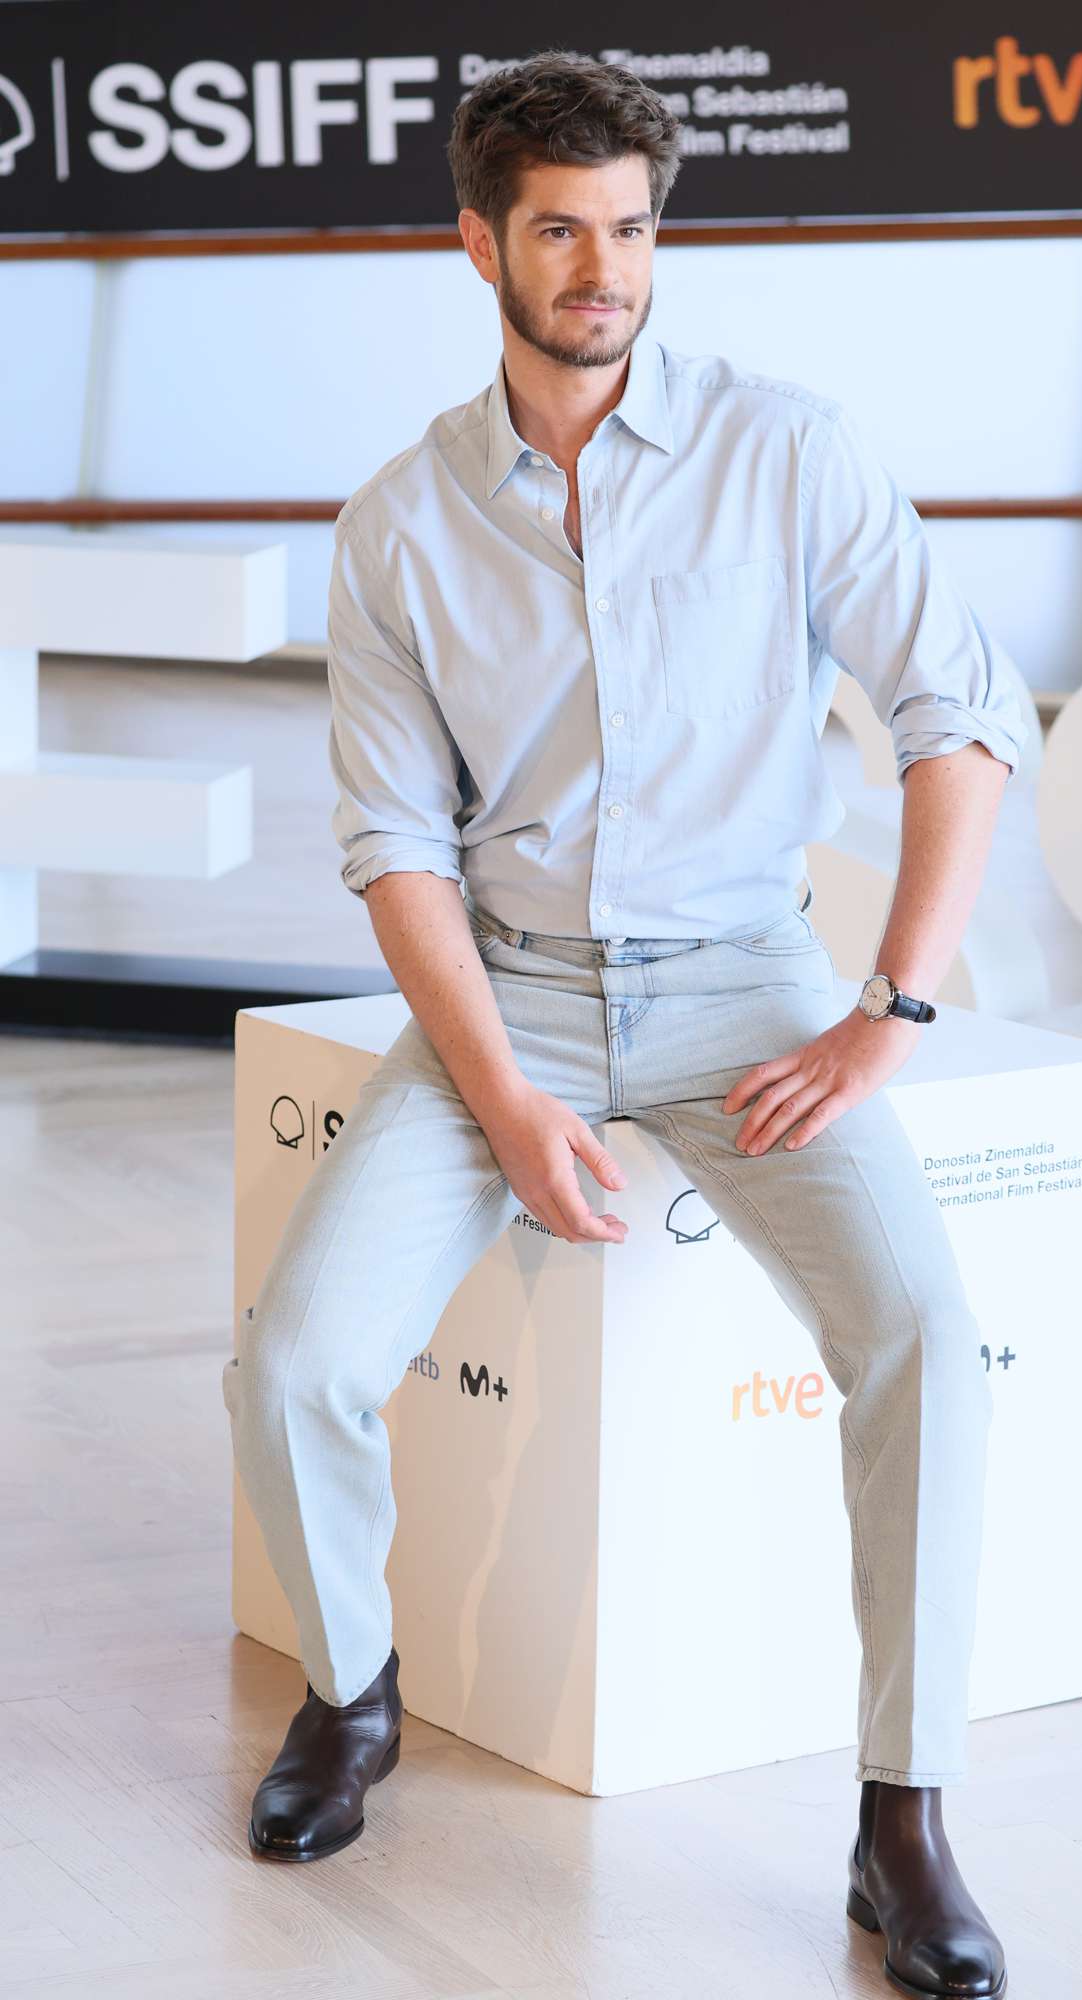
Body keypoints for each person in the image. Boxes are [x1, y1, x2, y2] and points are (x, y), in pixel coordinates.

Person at [222, 47, 1026, 2000]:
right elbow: (395, 846)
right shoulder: (402, 521)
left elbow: (960, 718)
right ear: (478, 238)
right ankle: (354, 1687)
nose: (605, 269)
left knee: (926, 1334)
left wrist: (887, 1006)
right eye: (563, 230)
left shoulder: (790, 448)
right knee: (294, 1361)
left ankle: (901, 1812)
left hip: (750, 987)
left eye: (634, 228)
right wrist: (499, 1098)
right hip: (512, 996)